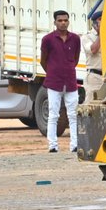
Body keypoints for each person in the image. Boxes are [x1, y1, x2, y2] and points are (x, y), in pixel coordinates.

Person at [38, 9, 81, 154]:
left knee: (73, 114)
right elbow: (43, 60)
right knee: (53, 114)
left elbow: (75, 58)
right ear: (55, 22)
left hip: (70, 81)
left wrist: (67, 69)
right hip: (54, 81)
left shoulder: (75, 38)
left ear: (69, 21)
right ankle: (53, 145)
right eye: (60, 20)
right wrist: (53, 71)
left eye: (65, 20)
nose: (63, 23)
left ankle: (75, 145)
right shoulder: (48, 39)